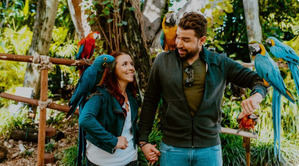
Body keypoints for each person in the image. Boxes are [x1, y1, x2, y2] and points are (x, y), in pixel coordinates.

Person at [138, 12, 267, 166]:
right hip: (172, 149)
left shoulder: (219, 63)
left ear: (202, 40)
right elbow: (150, 101)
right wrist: (144, 141)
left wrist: (256, 96)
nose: (178, 43)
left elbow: (258, 80)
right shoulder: (162, 62)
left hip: (209, 150)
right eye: (178, 37)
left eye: (186, 40)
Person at [78, 51, 141, 166]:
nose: (131, 68)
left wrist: (143, 143)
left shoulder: (131, 96)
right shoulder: (100, 94)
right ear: (113, 69)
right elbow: (85, 119)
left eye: (131, 64)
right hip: (103, 162)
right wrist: (113, 141)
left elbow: (131, 126)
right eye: (124, 64)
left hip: (130, 159)